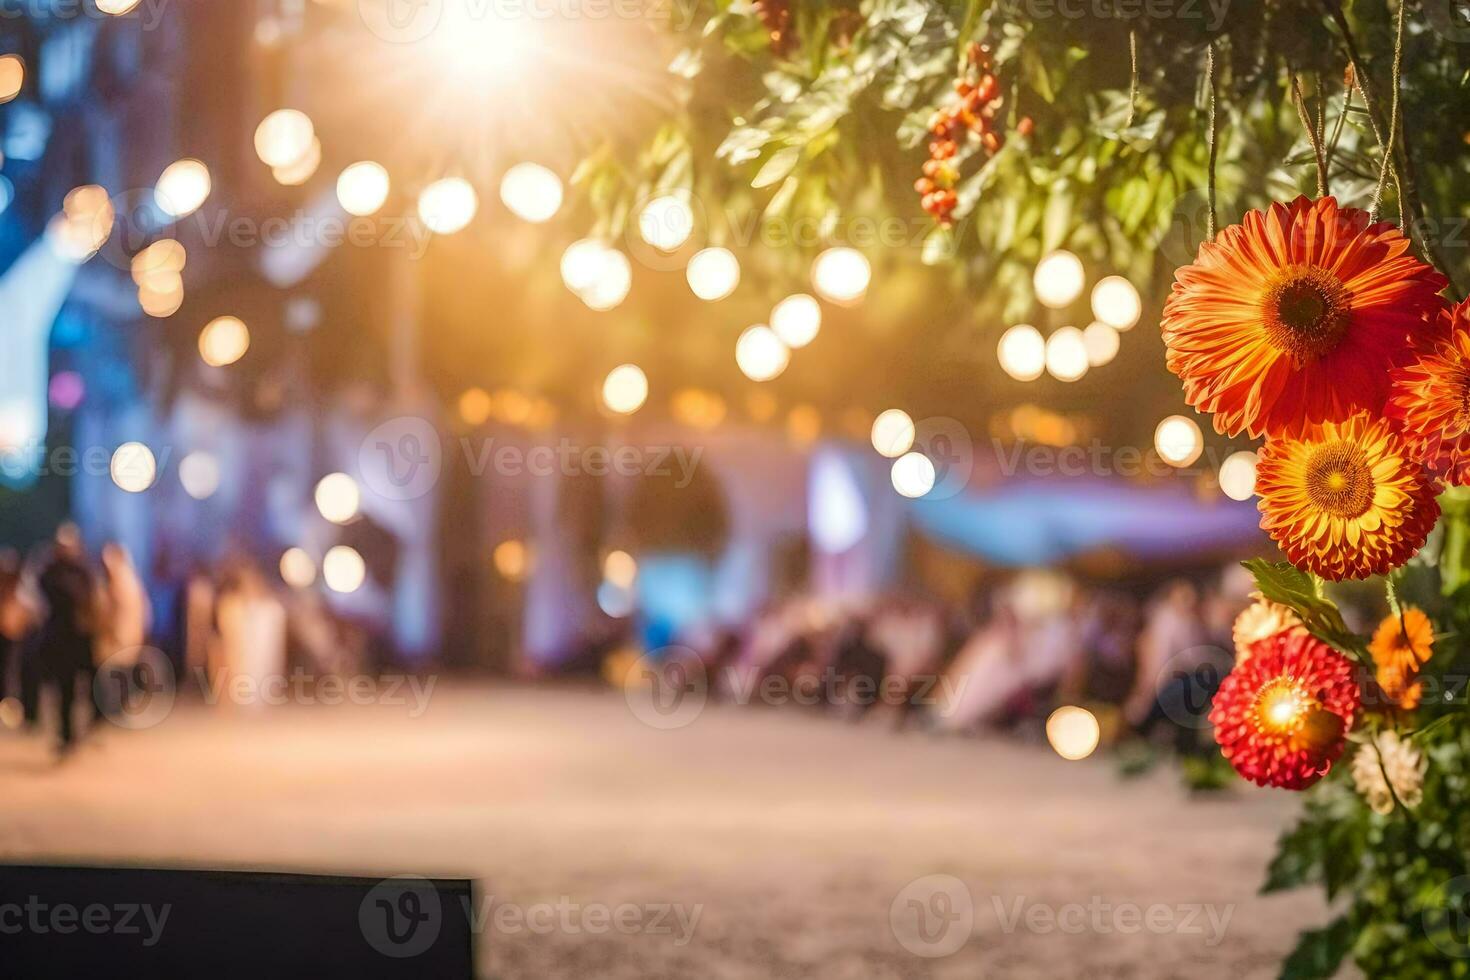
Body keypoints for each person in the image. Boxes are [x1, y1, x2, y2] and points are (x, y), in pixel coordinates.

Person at [35, 525, 98, 753]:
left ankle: (81, 730)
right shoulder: (51, 572)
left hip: (79, 639)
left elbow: (88, 598)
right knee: (62, 690)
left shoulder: (82, 571)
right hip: (58, 640)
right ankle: (66, 733)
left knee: (82, 688)